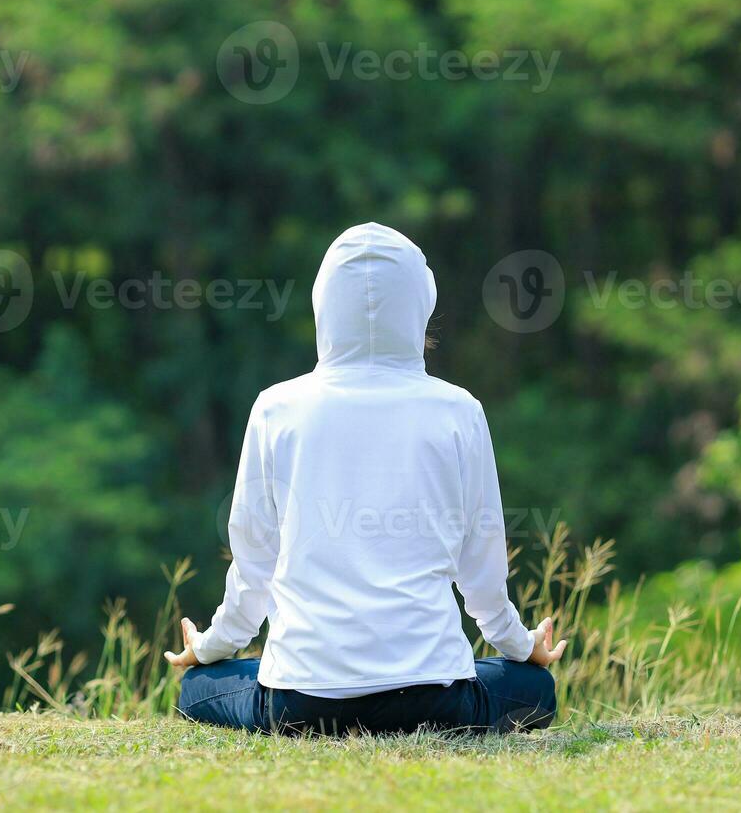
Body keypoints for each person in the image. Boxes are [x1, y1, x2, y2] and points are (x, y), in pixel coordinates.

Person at [166, 223, 565, 735]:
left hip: (302, 704)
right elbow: (482, 573)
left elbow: (253, 572)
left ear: (323, 305)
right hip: (435, 699)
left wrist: (209, 647)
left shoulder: (275, 409)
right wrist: (519, 644)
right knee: (535, 689)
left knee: (198, 688)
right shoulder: (459, 411)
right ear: (420, 304)